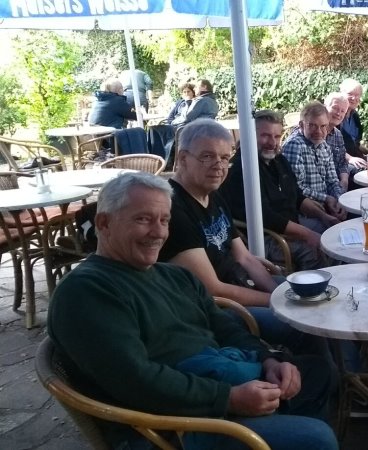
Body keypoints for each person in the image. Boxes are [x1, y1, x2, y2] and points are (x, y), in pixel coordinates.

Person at [47, 172, 338, 450]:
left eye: (164, 220)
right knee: (316, 438)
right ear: (104, 223)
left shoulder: (174, 275)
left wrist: (268, 361)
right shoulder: (86, 292)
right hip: (168, 426)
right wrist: (230, 398)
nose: (158, 232)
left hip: (213, 382)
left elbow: (223, 326)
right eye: (143, 219)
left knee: (317, 373)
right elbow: (135, 380)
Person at [158, 119, 327, 357]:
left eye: (224, 158)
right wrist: (277, 301)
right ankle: (312, 380)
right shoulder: (173, 210)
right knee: (306, 325)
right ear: (183, 158)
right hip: (216, 309)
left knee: (317, 298)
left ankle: (342, 371)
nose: (219, 166)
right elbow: (213, 289)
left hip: (239, 284)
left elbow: (245, 258)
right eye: (207, 156)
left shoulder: (212, 194)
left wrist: (278, 293)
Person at [219, 110, 337, 271]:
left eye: (277, 136)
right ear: (249, 135)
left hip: (291, 228)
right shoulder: (241, 169)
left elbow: (297, 197)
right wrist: (308, 234)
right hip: (266, 238)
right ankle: (313, 285)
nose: (272, 143)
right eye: (265, 136)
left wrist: (324, 217)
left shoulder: (279, 160)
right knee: (317, 251)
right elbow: (267, 217)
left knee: (335, 238)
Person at [282, 101, 347, 221]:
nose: (319, 131)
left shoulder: (324, 145)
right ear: (301, 125)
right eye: (312, 126)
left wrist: (339, 200)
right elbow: (296, 188)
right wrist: (326, 198)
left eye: (323, 126)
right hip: (304, 212)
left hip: (325, 206)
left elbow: (332, 180)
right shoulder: (295, 145)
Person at [324, 92, 356, 190]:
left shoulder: (337, 134)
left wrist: (344, 180)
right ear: (324, 107)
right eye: (335, 108)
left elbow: (342, 162)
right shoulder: (314, 133)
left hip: (336, 179)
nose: (338, 114)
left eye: (343, 111)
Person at [339, 78, 368, 157]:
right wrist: (350, 158)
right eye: (350, 94)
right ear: (341, 94)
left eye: (357, 95)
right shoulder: (336, 116)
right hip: (342, 160)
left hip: (356, 158)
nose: (354, 98)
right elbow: (331, 146)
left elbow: (355, 143)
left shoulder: (355, 116)